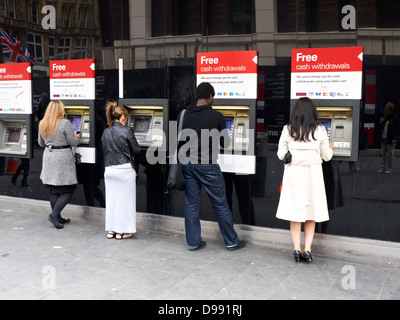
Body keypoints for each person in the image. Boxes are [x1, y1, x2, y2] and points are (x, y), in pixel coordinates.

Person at [178, 82, 245, 251]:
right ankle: (231, 241)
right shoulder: (216, 116)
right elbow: (224, 143)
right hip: (208, 166)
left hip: (188, 165)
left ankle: (193, 242)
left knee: (191, 205)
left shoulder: (184, 114)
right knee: (220, 204)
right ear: (210, 97)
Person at [276, 97, 333, 263]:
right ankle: (307, 249)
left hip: (294, 176)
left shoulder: (288, 129)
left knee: (296, 213)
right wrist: (330, 147)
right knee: (311, 213)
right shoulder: (320, 130)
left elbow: (280, 154)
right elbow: (327, 156)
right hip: (313, 176)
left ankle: (296, 248)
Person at [101, 101, 140, 240]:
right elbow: (136, 149)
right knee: (126, 202)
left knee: (112, 201)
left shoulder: (105, 131)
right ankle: (124, 231)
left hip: (109, 169)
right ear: (123, 117)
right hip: (124, 169)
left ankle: (112, 230)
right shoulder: (127, 130)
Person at [38, 100, 80, 229]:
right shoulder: (65, 123)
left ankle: (58, 217)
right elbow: (73, 142)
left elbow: (40, 143)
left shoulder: (42, 123)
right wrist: (76, 136)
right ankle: (54, 214)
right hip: (62, 156)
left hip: (49, 156)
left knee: (54, 189)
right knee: (69, 188)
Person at [378, 102, 400, 174]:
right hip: (384, 136)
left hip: (391, 137)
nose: (385, 109)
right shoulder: (385, 117)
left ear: (389, 109)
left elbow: (397, 129)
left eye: (386, 108)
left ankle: (389, 168)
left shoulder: (394, 118)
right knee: (383, 152)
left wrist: (396, 138)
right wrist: (382, 121)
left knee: (390, 153)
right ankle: (382, 167)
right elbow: (381, 126)